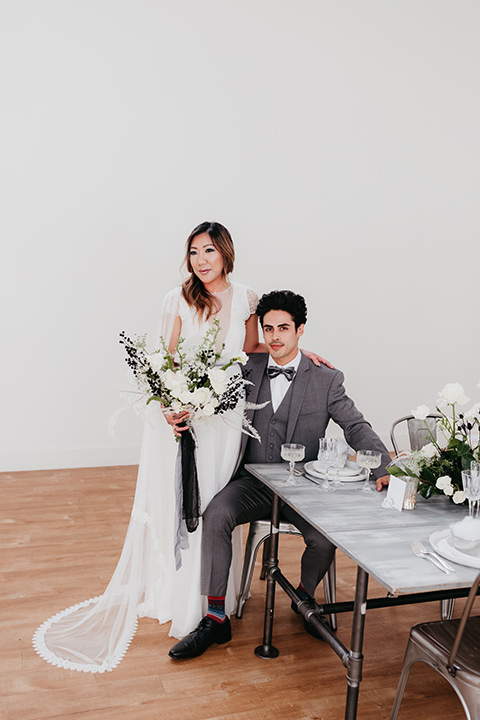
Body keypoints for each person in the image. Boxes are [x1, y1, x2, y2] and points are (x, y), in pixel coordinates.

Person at [33, 223, 330, 674]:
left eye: (209, 250)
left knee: (215, 505)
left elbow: (255, 350)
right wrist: (172, 406)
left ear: (226, 253)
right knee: (187, 505)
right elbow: (165, 361)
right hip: (189, 422)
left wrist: (307, 355)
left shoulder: (248, 299)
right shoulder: (178, 299)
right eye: (194, 252)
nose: (202, 260)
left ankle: (216, 605)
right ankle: (193, 607)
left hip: (226, 425)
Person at [168, 289, 391, 660]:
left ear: (300, 330)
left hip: (304, 488)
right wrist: (174, 409)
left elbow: (356, 425)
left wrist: (384, 465)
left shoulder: (326, 379)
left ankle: (302, 597)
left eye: (283, 328)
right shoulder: (244, 369)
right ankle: (215, 617)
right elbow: (203, 392)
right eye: (267, 328)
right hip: (252, 483)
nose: (274, 337)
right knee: (216, 514)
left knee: (323, 538)